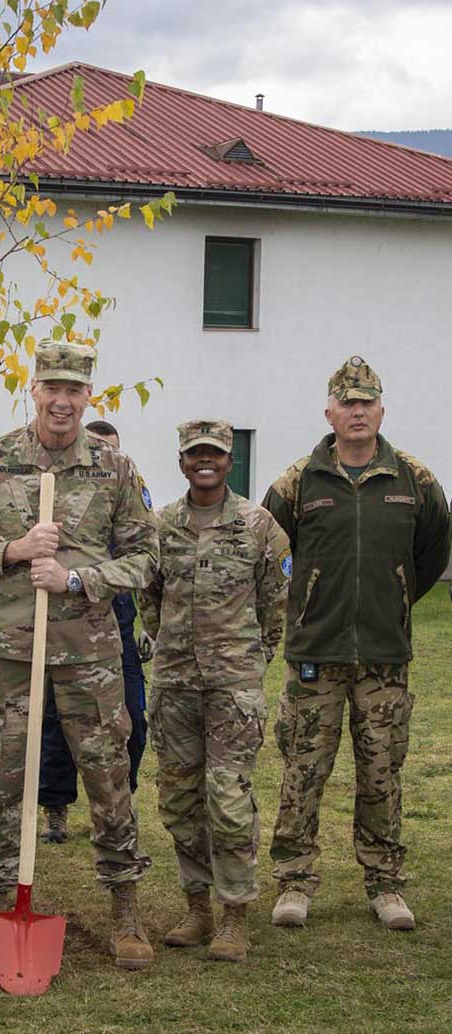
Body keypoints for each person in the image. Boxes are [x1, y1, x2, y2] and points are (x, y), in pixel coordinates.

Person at [0, 341, 160, 971]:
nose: (62, 401)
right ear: (33, 390)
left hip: (89, 654)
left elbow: (147, 558)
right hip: (12, 652)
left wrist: (77, 579)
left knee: (108, 778)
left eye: (74, 391)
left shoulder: (115, 470)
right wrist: (13, 551)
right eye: (51, 388)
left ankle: (125, 908)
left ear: (88, 396)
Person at [264, 356, 450, 932]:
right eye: (348, 402)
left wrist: (393, 600)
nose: (358, 411)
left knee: (381, 773)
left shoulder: (414, 480)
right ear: (329, 412)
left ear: (382, 410)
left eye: (367, 401)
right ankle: (295, 881)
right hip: (314, 656)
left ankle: (385, 885)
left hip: (383, 659)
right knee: (303, 771)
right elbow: (273, 554)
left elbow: (432, 553)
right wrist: (309, 604)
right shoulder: (297, 482)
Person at [138, 419, 290, 962]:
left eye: (215, 454)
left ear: (229, 461)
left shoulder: (258, 526)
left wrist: (249, 658)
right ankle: (197, 906)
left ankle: (234, 916)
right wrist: (172, 646)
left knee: (228, 800)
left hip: (233, 687)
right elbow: (148, 599)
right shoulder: (160, 526)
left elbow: (275, 603)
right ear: (182, 462)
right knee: (179, 800)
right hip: (175, 683)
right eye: (195, 454)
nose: (205, 462)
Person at [38, 419, 149, 844]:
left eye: (110, 448)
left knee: (129, 721)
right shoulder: (68, 492)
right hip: (65, 622)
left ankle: (122, 800)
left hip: (113, 621)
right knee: (56, 724)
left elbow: (145, 557)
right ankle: (55, 809)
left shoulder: (127, 487)